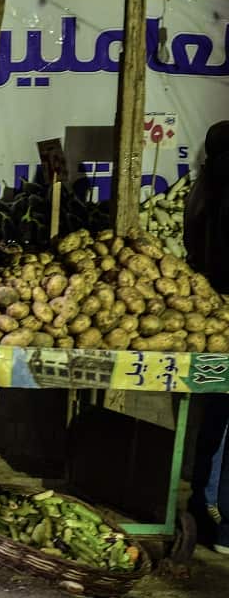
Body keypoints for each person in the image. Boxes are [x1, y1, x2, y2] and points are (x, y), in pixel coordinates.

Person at [184, 120, 229, 555]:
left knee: (217, 414)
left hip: (212, 311)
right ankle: (217, 516)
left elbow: (193, 243)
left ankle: (205, 503)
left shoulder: (205, 187)